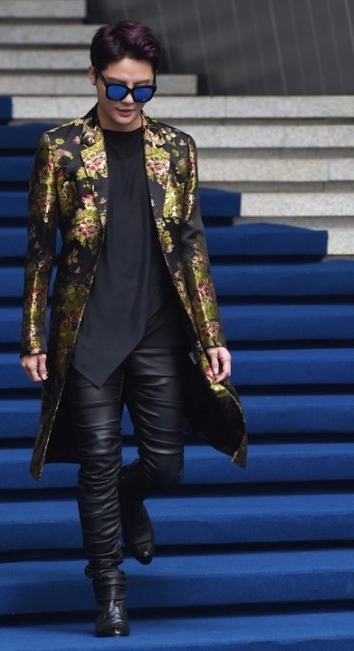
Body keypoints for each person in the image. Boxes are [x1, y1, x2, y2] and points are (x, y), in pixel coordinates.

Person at [20, 21, 247, 638]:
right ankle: (110, 590)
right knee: (96, 463)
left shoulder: (176, 149)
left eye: (142, 90)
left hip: (157, 328)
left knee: (165, 466)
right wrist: (33, 336)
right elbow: (40, 249)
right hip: (88, 330)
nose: (128, 101)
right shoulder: (61, 149)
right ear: (93, 77)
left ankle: (129, 497)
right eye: (117, 88)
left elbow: (192, 246)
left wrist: (211, 334)